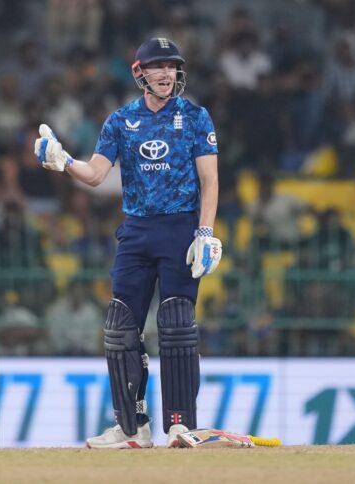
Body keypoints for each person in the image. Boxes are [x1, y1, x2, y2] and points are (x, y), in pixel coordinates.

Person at [34, 38, 222, 448]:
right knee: (121, 329)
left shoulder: (195, 117)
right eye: (158, 67)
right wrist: (63, 161)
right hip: (136, 231)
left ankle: (180, 424)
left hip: (180, 228)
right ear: (140, 73)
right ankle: (132, 427)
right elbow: (97, 174)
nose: (166, 74)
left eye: (172, 67)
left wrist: (205, 232)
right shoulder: (121, 121)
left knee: (175, 324)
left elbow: (210, 181)